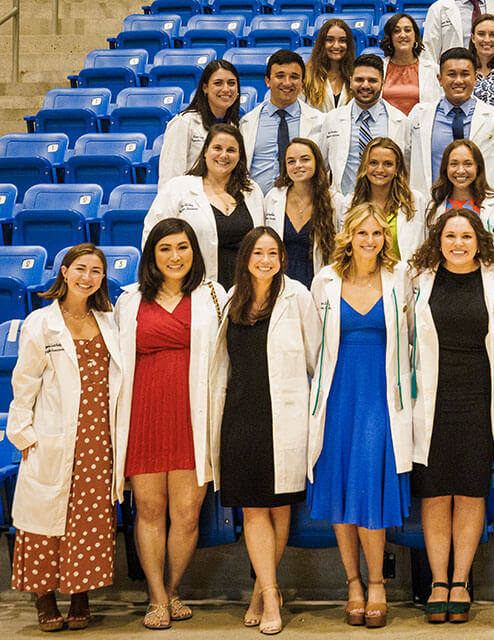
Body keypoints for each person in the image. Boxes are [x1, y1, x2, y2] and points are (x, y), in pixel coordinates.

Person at [115, 219, 225, 629]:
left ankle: (174, 587)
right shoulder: (129, 301)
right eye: (165, 248)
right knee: (148, 509)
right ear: (152, 255)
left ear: (194, 252)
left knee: (187, 514)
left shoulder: (212, 295)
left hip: (191, 416)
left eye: (182, 247)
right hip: (143, 415)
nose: (175, 256)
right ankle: (156, 597)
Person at [307, 204, 414, 629]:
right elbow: (315, 345)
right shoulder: (326, 280)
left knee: (369, 486)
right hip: (337, 396)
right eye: (362, 233)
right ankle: (352, 583)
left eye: (376, 233)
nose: (369, 240)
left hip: (381, 396)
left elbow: (411, 336)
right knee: (341, 491)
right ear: (348, 236)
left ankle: (376, 583)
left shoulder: (399, 277)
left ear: (385, 237)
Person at [209, 227, 320, 636]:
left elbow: (316, 360)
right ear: (246, 258)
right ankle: (272, 593)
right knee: (253, 507)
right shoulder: (228, 299)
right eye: (259, 252)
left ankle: (262, 587)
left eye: (273, 253)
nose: (266, 260)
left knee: (278, 507)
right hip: (240, 415)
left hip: (285, 415)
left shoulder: (298, 297)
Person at [8, 245, 121, 632]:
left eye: (96, 271)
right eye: (80, 269)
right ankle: (44, 597)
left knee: (88, 520)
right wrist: (24, 435)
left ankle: (80, 595)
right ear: (64, 272)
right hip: (51, 436)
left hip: (97, 439)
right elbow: (24, 382)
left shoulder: (108, 320)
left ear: (102, 279)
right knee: (43, 521)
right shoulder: (40, 323)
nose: (87, 277)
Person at [408, 208, 494, 625]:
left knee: (470, 491)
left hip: (478, 399)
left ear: (478, 241)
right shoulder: (419, 279)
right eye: (450, 236)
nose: (458, 244)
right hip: (431, 398)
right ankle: (437, 582)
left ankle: (461, 581)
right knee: (435, 493)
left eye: (466, 237)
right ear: (439, 240)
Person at [144, 123, 266, 288]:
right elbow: (152, 235)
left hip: (244, 290)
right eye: (217, 148)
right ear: (205, 152)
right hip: (191, 287)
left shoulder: (252, 191)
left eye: (231, 150)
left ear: (239, 157)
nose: (224, 155)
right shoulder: (178, 188)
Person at [405, 47, 494, 190]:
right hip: (432, 203)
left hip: (479, 204)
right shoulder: (419, 115)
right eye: (451, 74)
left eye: (465, 74)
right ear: (440, 79)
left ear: (475, 79)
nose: (458, 80)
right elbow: (405, 161)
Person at [320, 54, 411, 195]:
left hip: (386, 204)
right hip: (345, 204)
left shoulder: (401, 121)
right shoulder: (332, 119)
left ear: (383, 82)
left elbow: (406, 169)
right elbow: (321, 167)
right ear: (350, 81)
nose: (365, 85)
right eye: (359, 80)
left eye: (372, 80)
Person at [239, 49, 325, 191]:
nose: (287, 83)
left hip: (301, 204)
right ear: (268, 81)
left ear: (302, 82)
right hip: (257, 204)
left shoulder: (319, 122)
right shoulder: (247, 122)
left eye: (294, 77)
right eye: (280, 76)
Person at [334, 137, 426, 262]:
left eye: (388, 164)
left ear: (397, 169)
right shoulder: (350, 203)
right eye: (373, 163)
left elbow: (426, 246)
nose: (380, 169)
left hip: (405, 278)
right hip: (364, 277)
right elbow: (345, 248)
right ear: (364, 166)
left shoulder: (415, 200)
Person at [263, 137, 339, 288]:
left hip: (319, 282)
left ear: (317, 162)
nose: (298, 165)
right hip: (279, 282)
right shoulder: (273, 198)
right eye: (291, 161)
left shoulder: (335, 201)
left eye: (305, 160)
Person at [158, 59, 242, 182]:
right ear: (205, 88)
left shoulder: (237, 126)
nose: (226, 89)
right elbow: (170, 176)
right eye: (218, 83)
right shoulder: (184, 122)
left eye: (231, 83)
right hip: (189, 197)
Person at [424, 139, 494, 246]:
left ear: (478, 167)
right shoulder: (434, 208)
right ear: (445, 168)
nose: (460, 170)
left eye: (468, 164)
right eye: (454, 164)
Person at [379, 13, 432, 114]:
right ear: (390, 37)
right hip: (386, 127)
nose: (403, 35)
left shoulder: (432, 69)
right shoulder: (379, 68)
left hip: (420, 127)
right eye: (396, 31)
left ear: (415, 36)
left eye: (407, 30)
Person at [303, 18, 355, 112]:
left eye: (342, 40)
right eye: (330, 40)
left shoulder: (356, 75)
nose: (336, 46)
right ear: (322, 43)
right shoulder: (306, 75)